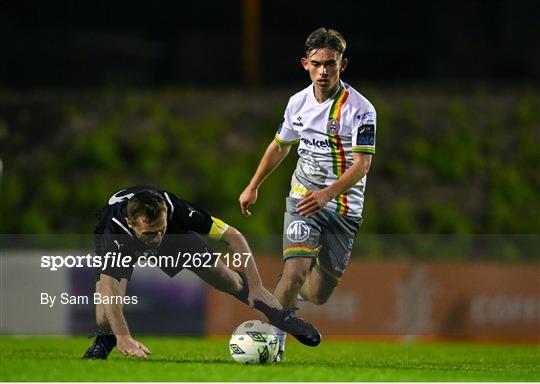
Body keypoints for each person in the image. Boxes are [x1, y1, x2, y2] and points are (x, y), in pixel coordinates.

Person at [239, 28, 376, 361]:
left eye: (331, 63)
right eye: (317, 63)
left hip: (344, 205)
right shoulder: (296, 103)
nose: (324, 71)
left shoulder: (361, 109)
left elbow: (362, 165)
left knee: (318, 293)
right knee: (295, 271)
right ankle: (274, 345)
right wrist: (253, 184)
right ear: (305, 64)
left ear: (343, 64)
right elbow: (280, 146)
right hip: (303, 197)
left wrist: (328, 194)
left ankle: (292, 288)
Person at [83, 185, 320, 360]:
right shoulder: (115, 231)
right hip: (123, 244)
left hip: (175, 239)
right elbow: (109, 289)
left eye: (160, 229)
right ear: (131, 223)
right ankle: (105, 342)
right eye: (149, 234)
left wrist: (256, 285)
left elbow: (233, 236)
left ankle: (281, 316)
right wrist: (123, 335)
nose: (156, 239)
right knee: (105, 318)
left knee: (227, 280)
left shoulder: (176, 210)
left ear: (166, 214)